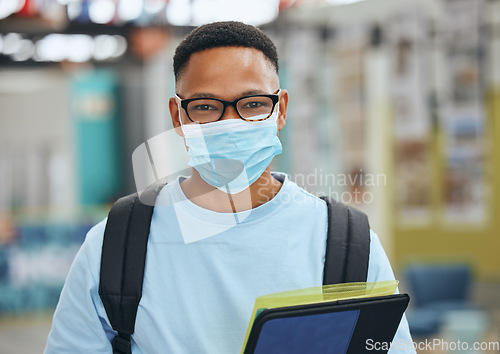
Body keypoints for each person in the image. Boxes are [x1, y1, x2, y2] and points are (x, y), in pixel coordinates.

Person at [45, 21, 416, 353]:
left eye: (253, 104)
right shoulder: (114, 246)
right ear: (178, 116)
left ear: (280, 110)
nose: (232, 122)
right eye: (206, 106)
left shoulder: (347, 242)